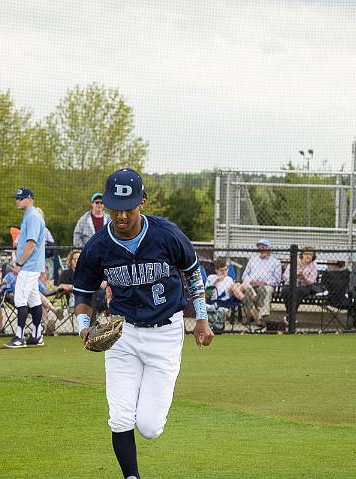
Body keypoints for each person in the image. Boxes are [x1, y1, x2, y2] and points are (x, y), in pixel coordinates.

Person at [73, 168, 213, 479]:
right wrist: (84, 326)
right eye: (114, 208)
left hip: (165, 335)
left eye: (128, 207)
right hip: (122, 334)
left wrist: (201, 319)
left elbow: (193, 274)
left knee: (149, 427)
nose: (120, 215)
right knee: (120, 417)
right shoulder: (98, 245)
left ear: (143, 202)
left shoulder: (167, 235)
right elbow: (82, 291)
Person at [4, 187, 47, 348]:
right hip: (32, 265)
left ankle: (19, 337)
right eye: (17, 198)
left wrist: (19, 264)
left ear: (30, 199)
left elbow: (31, 244)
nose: (17, 201)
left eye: (20, 198)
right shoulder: (30, 215)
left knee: (20, 299)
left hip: (28, 266)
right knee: (34, 300)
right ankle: (36, 336)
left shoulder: (33, 216)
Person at [236, 239, 282, 324]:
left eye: (263, 247)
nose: (261, 249)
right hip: (252, 284)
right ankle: (251, 315)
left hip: (266, 285)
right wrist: (251, 281)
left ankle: (262, 317)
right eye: (259, 247)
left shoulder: (276, 262)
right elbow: (244, 275)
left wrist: (265, 282)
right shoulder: (252, 259)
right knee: (247, 291)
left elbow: (277, 280)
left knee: (265, 290)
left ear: (269, 248)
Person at [281, 244, 319, 320]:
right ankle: (291, 315)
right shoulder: (294, 262)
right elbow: (285, 276)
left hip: (304, 286)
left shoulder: (314, 265)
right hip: (291, 283)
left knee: (298, 291)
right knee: (285, 290)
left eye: (311, 254)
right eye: (306, 254)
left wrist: (304, 278)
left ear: (313, 257)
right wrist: (294, 276)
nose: (308, 256)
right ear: (302, 254)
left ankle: (290, 316)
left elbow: (312, 281)